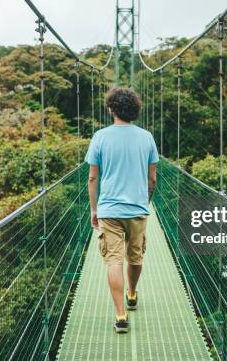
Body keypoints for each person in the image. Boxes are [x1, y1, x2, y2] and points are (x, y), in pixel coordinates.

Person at [85, 86, 159, 334]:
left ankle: (120, 316)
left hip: (108, 210)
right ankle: (132, 293)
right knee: (136, 257)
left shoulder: (100, 137)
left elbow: (93, 178)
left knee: (113, 261)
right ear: (135, 109)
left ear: (111, 109)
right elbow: (153, 179)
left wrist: (94, 210)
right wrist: (145, 201)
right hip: (137, 208)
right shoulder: (147, 137)